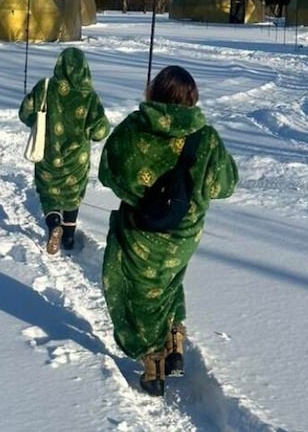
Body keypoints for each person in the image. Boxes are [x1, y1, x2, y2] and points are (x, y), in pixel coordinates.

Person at [98, 65, 238, 396]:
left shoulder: (132, 130)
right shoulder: (205, 138)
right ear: (192, 98)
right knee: (170, 282)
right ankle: (175, 338)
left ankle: (154, 366)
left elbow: (108, 174)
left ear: (153, 93)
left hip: (140, 233)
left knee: (141, 295)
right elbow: (226, 184)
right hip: (184, 237)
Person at [19, 47, 110, 255]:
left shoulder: (45, 87)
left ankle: (53, 225)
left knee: (48, 193)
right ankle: (68, 237)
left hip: (47, 153)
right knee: (73, 194)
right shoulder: (89, 97)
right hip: (77, 158)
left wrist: (37, 122)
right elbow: (100, 131)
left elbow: (25, 112)